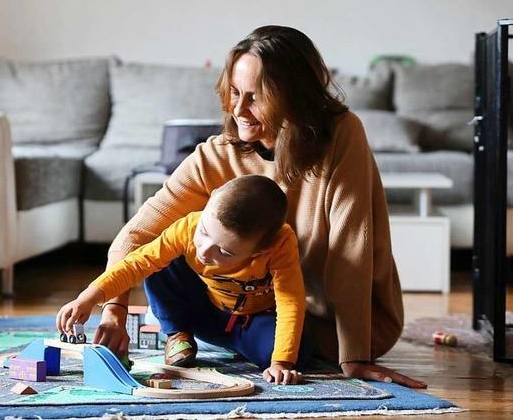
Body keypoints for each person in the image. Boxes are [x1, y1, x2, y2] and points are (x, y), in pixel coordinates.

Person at [90, 25, 427, 389]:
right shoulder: (217, 154)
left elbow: (351, 253)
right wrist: (114, 311)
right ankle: (188, 332)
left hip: (312, 319)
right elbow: (138, 235)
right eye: (234, 92)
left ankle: (269, 344)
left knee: (294, 346)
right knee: (167, 246)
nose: (238, 108)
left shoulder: (342, 135)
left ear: (292, 96)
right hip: (233, 308)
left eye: (254, 97)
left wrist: (355, 356)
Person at [57, 175, 308, 385]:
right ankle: (178, 333)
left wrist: (280, 363)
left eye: (225, 252)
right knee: (158, 262)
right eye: (205, 233)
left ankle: (232, 345)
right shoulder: (188, 227)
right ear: (209, 202)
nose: (204, 251)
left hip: (249, 322)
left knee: (297, 352)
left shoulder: (280, 244)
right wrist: (87, 298)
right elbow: (137, 263)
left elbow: (291, 302)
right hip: (204, 311)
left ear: (261, 251)